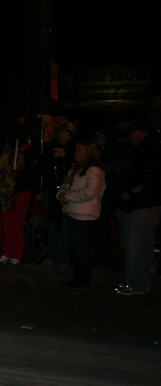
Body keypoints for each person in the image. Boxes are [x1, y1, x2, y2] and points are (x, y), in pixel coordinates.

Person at [115, 119, 161, 295]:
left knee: (137, 246)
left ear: (144, 133)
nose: (131, 135)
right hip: (137, 205)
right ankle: (135, 280)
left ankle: (138, 283)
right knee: (134, 245)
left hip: (143, 205)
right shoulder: (139, 151)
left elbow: (148, 177)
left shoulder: (149, 151)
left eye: (135, 131)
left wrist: (132, 193)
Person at [57, 139, 106, 288]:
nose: (76, 153)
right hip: (72, 211)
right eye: (76, 150)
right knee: (77, 247)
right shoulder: (76, 168)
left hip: (85, 213)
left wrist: (68, 196)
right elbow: (66, 186)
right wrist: (61, 195)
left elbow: (90, 192)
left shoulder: (94, 170)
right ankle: (79, 277)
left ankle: (83, 279)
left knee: (81, 248)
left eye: (80, 150)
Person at [0, 126, 38, 265]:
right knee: (6, 221)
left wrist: (18, 176)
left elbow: (31, 174)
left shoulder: (28, 150)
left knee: (16, 223)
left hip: (22, 191)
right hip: (8, 191)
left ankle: (17, 253)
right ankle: (6, 251)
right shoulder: (7, 151)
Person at [40, 121, 76, 267]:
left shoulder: (74, 150)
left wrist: (67, 156)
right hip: (51, 190)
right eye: (59, 132)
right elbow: (42, 167)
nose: (61, 135)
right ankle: (53, 255)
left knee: (65, 224)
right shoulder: (50, 148)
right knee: (52, 223)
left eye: (64, 132)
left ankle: (64, 257)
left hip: (68, 191)